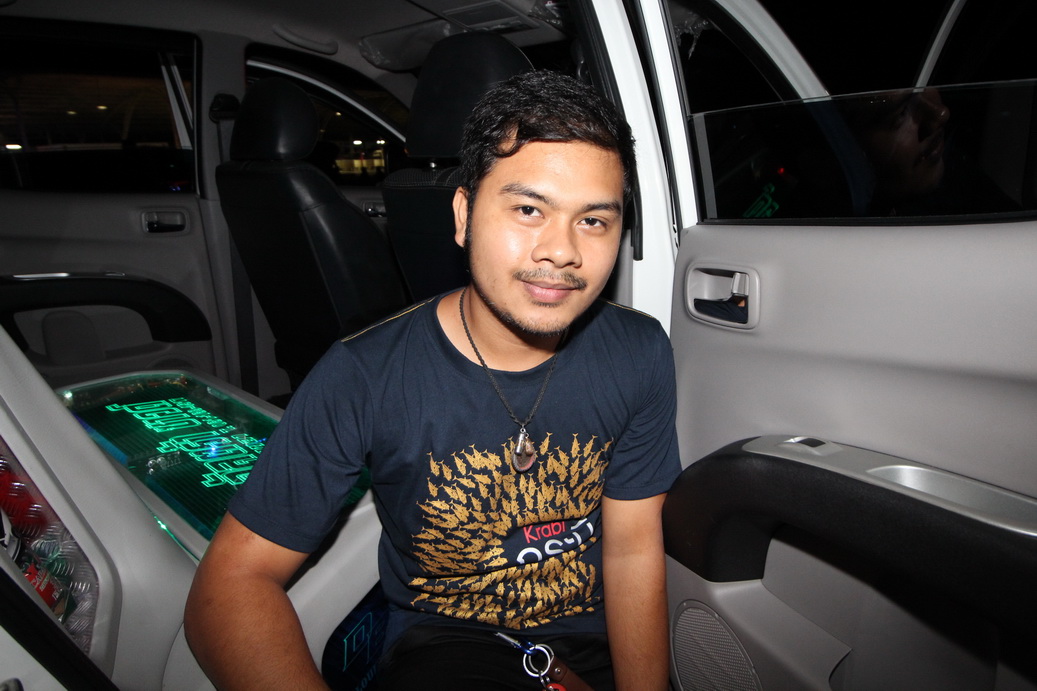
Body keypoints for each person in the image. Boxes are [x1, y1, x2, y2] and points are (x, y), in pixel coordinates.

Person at [184, 69, 681, 690]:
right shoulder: (364, 375)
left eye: (593, 221)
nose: (561, 251)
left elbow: (632, 548)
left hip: (595, 639)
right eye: (529, 209)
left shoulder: (638, 351)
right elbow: (230, 585)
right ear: (464, 215)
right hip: (450, 644)